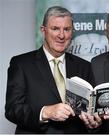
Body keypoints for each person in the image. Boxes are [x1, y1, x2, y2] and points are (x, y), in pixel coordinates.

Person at [5, 6, 94, 134]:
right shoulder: (21, 64)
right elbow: (12, 110)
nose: (61, 35)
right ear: (43, 30)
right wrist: (45, 112)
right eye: (55, 28)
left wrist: (94, 123)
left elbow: (90, 112)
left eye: (67, 29)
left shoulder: (84, 66)